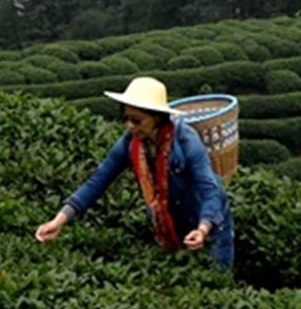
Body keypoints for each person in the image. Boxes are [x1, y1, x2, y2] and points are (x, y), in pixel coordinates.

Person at [35, 76, 233, 268]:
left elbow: (209, 189)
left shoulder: (186, 141)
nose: (129, 126)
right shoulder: (130, 143)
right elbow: (97, 182)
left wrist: (203, 228)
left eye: (137, 121)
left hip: (209, 219)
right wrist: (59, 221)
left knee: (216, 273)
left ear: (157, 117)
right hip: (173, 223)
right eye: (126, 119)